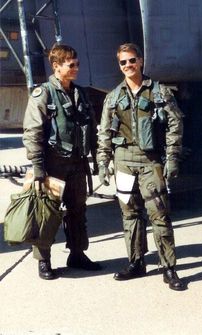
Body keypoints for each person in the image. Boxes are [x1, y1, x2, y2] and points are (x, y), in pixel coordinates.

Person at [97, 43, 185, 290]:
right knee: (130, 214)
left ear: (141, 61)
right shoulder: (113, 96)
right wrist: (103, 163)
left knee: (159, 214)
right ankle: (136, 263)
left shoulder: (160, 92)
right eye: (123, 62)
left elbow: (175, 126)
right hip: (123, 161)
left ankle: (168, 268)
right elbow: (104, 133)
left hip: (150, 161)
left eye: (132, 60)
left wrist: (173, 157)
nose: (128, 65)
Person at [23, 44, 101, 280]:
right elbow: (32, 132)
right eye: (71, 64)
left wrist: (96, 157)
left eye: (77, 64)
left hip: (77, 164)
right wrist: (38, 168)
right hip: (52, 166)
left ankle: (77, 254)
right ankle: (43, 261)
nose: (76, 68)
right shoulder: (43, 94)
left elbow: (92, 128)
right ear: (56, 66)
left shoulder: (81, 93)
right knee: (46, 214)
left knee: (78, 211)